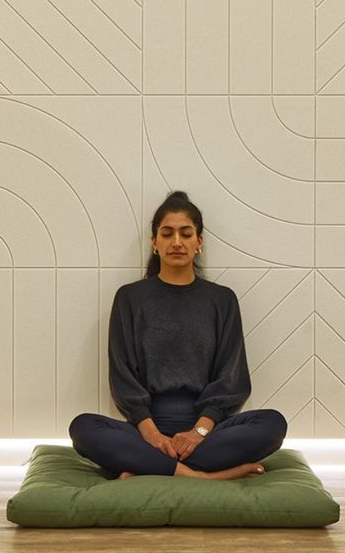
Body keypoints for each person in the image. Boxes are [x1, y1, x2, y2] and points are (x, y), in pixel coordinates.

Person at [69, 190, 287, 480]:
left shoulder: (222, 300)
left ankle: (146, 468)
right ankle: (201, 476)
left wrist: (198, 432)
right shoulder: (130, 298)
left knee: (272, 424)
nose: (176, 242)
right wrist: (151, 434)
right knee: (83, 428)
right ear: (154, 243)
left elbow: (231, 379)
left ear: (199, 242)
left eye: (186, 234)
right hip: (144, 427)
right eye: (167, 233)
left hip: (206, 430)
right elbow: (122, 376)